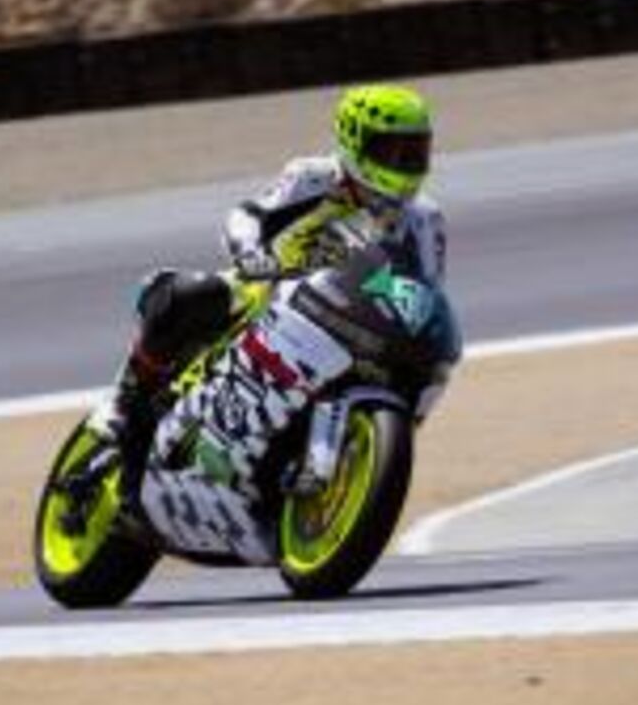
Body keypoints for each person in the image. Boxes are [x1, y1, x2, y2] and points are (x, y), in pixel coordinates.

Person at [87, 83, 457, 486]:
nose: (404, 163)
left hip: (354, 318)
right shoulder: (314, 177)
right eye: (390, 151)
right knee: (182, 295)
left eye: (414, 151)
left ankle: (361, 454)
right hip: (273, 291)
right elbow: (247, 216)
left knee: (425, 361)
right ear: (354, 141)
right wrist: (253, 256)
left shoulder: (425, 219)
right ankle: (125, 401)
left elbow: (426, 287)